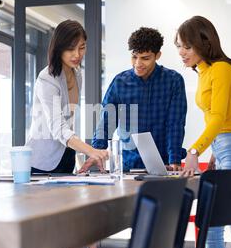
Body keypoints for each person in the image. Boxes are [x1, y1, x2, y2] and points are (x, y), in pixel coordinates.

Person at [176, 15, 231, 248]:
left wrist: (195, 151)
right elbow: (219, 121)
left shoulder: (221, 70)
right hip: (226, 148)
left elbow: (219, 118)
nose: (181, 52)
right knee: (211, 226)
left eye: (187, 46)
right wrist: (213, 153)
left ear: (204, 43)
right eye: (178, 46)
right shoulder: (206, 72)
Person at [25, 19, 108, 248]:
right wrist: (91, 149)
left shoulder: (77, 74)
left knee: (53, 234)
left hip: (64, 157)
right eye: (71, 48)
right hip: (40, 162)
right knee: (39, 236)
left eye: (82, 47)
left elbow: (68, 121)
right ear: (58, 47)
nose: (77, 54)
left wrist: (80, 152)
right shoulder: (46, 80)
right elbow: (58, 128)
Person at [79, 27, 187, 173]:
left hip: (165, 164)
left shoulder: (173, 81)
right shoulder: (120, 82)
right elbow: (106, 121)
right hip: (129, 165)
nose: (138, 63)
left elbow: (175, 123)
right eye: (134, 56)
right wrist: (96, 152)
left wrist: (174, 159)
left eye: (145, 58)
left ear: (158, 55)